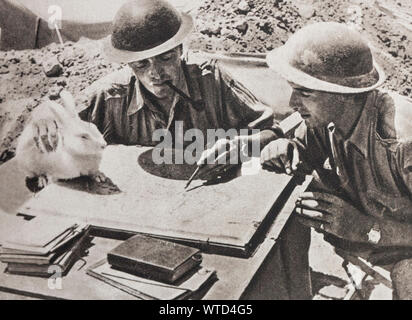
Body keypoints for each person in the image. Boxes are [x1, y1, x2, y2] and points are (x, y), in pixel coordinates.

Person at [261, 21, 412, 299]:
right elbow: (302, 146)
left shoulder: (402, 141)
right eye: (294, 89)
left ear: (345, 95)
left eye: (305, 92)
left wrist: (366, 230)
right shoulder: (326, 119)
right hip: (377, 250)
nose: (293, 103)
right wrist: (285, 147)